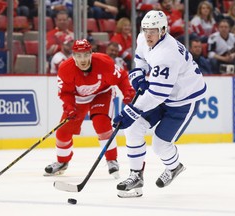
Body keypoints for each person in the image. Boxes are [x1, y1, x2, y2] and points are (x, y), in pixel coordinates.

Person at [112, 10, 206, 198]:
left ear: (163, 31)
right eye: (145, 30)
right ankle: (136, 175)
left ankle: (174, 167)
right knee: (133, 129)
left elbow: (156, 95)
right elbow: (140, 58)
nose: (148, 34)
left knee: (160, 144)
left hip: (183, 100)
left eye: (153, 30)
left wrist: (131, 111)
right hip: (165, 93)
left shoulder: (167, 54)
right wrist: (139, 75)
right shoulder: (143, 38)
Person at [44, 39, 136, 179]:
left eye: (86, 55)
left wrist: (128, 93)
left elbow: (122, 77)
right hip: (78, 99)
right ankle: (62, 162)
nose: (83, 59)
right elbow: (65, 93)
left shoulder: (104, 62)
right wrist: (69, 107)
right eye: (79, 55)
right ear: (73, 55)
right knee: (63, 132)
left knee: (101, 124)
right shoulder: (65, 68)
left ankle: (112, 160)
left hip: (102, 94)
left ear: (91, 54)